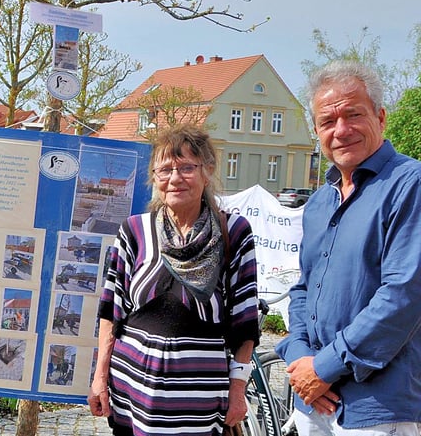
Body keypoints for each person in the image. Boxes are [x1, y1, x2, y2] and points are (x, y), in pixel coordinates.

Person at [275, 60, 421, 435]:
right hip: (312, 402)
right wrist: (300, 357)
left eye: (353, 114)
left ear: (381, 117)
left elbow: (403, 297)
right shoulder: (320, 202)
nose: (341, 130)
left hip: (378, 406)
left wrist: (323, 368)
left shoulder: (409, 185)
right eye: (327, 121)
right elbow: (305, 289)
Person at [89, 124, 259, 436]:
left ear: (207, 171)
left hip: (200, 399)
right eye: (165, 169)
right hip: (133, 390)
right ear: (154, 177)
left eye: (186, 167)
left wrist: (237, 391)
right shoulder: (135, 231)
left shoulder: (234, 232)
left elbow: (246, 323)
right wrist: (100, 377)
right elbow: (111, 311)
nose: (175, 178)